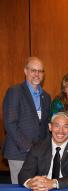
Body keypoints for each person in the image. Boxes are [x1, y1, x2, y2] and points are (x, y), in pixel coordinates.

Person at [2, 56, 51, 184]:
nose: (37, 74)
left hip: (38, 155)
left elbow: (45, 126)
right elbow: (10, 123)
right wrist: (28, 147)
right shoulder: (15, 92)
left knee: (37, 190)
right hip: (19, 152)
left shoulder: (46, 96)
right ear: (25, 71)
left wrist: (43, 150)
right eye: (33, 70)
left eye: (40, 71)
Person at [18, 112, 68, 191]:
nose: (60, 131)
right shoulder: (38, 147)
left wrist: (53, 183)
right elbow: (24, 173)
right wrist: (31, 183)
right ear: (50, 127)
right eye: (57, 126)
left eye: (65, 127)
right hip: (40, 190)